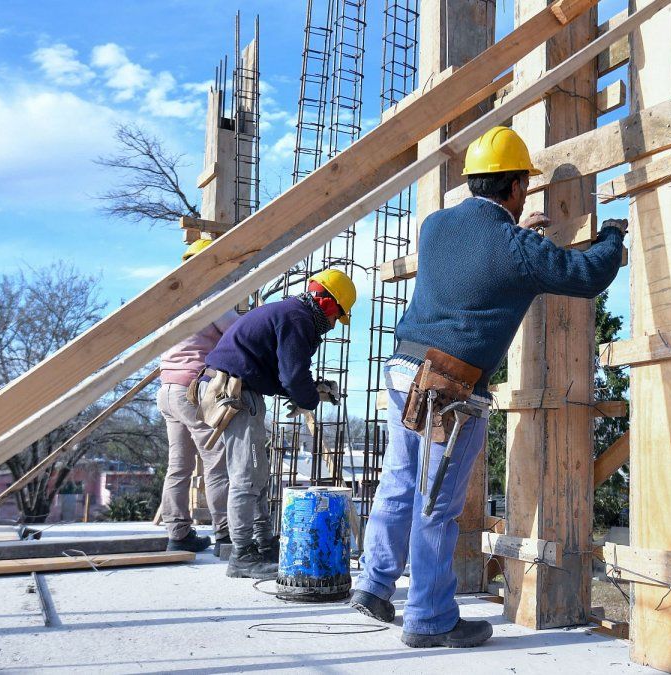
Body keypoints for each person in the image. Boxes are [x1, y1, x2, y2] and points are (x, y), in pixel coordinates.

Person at [350, 126, 626, 648]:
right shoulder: (516, 248)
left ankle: (373, 586)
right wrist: (612, 235)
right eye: (524, 186)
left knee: (400, 483)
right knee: (436, 504)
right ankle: (429, 619)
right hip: (447, 390)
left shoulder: (435, 226)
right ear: (516, 186)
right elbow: (587, 275)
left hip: (403, 370)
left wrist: (520, 235)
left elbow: (477, 259)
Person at [197, 269, 356, 579]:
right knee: (246, 475)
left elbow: (283, 372)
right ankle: (242, 555)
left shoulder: (290, 313)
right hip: (234, 391)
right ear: (327, 304)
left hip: (237, 388)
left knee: (257, 473)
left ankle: (262, 543)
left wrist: (310, 391)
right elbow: (293, 376)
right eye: (337, 316)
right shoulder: (298, 319)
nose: (334, 324)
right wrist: (309, 398)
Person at [156, 238, 238, 555]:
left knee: (178, 466)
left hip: (167, 390)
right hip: (192, 390)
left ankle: (178, 534)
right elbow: (238, 331)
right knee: (217, 462)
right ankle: (226, 535)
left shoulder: (172, 301)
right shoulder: (210, 299)